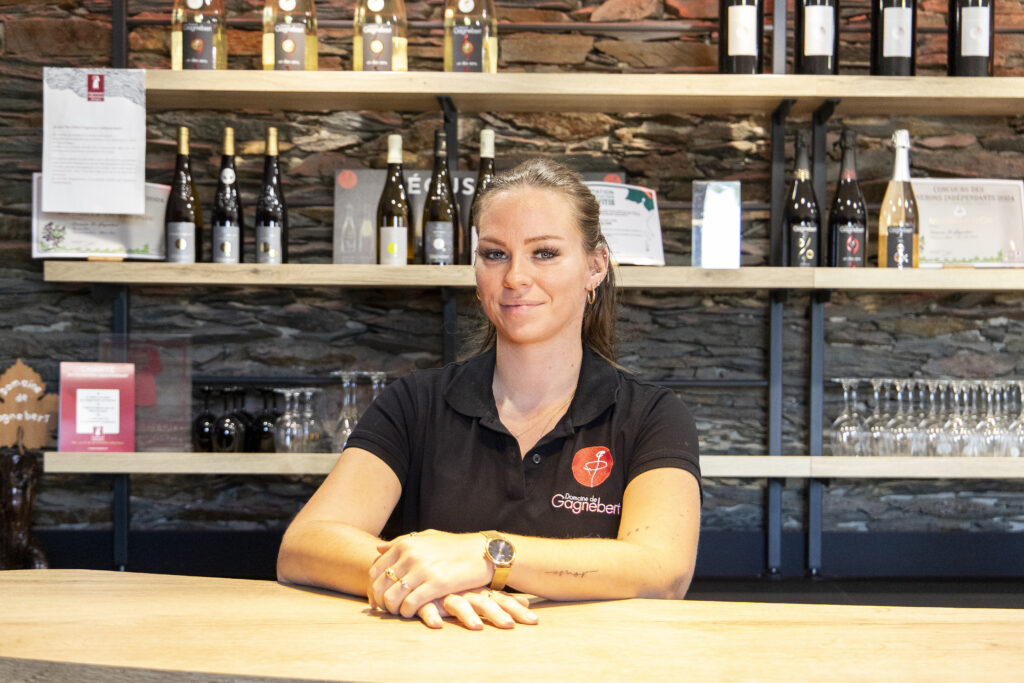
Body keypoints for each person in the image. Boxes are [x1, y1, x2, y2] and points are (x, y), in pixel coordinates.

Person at [277, 158, 701, 630]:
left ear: (595, 266)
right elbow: (304, 545)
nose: (516, 277)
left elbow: (663, 570)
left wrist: (487, 554)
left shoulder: (651, 415)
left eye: (544, 253)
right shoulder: (415, 402)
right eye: (495, 254)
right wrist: (425, 577)